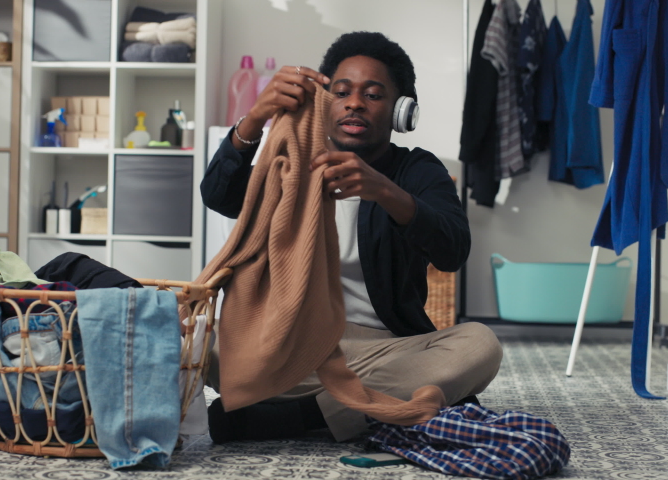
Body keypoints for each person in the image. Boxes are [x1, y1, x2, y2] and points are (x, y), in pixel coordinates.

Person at [201, 31, 503, 443]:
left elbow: (453, 250)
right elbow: (218, 196)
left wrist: (384, 191)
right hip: (288, 342)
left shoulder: (416, 172)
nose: (355, 103)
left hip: (383, 347)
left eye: (373, 94)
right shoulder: (291, 163)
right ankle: (390, 405)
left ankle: (298, 416)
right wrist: (254, 120)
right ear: (324, 102)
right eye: (341, 92)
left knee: (479, 346)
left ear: (401, 111)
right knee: (202, 345)